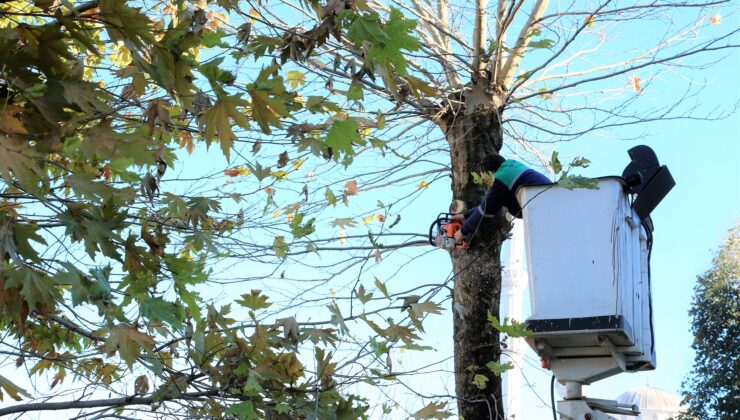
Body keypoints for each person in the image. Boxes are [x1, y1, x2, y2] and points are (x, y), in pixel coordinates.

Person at [452, 153, 550, 243]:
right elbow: (490, 203)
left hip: (542, 205)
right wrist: (466, 216)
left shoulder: (502, 178)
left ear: (490, 173)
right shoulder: (511, 166)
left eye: (485, 178)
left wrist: (462, 231)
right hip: (546, 200)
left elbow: (486, 209)